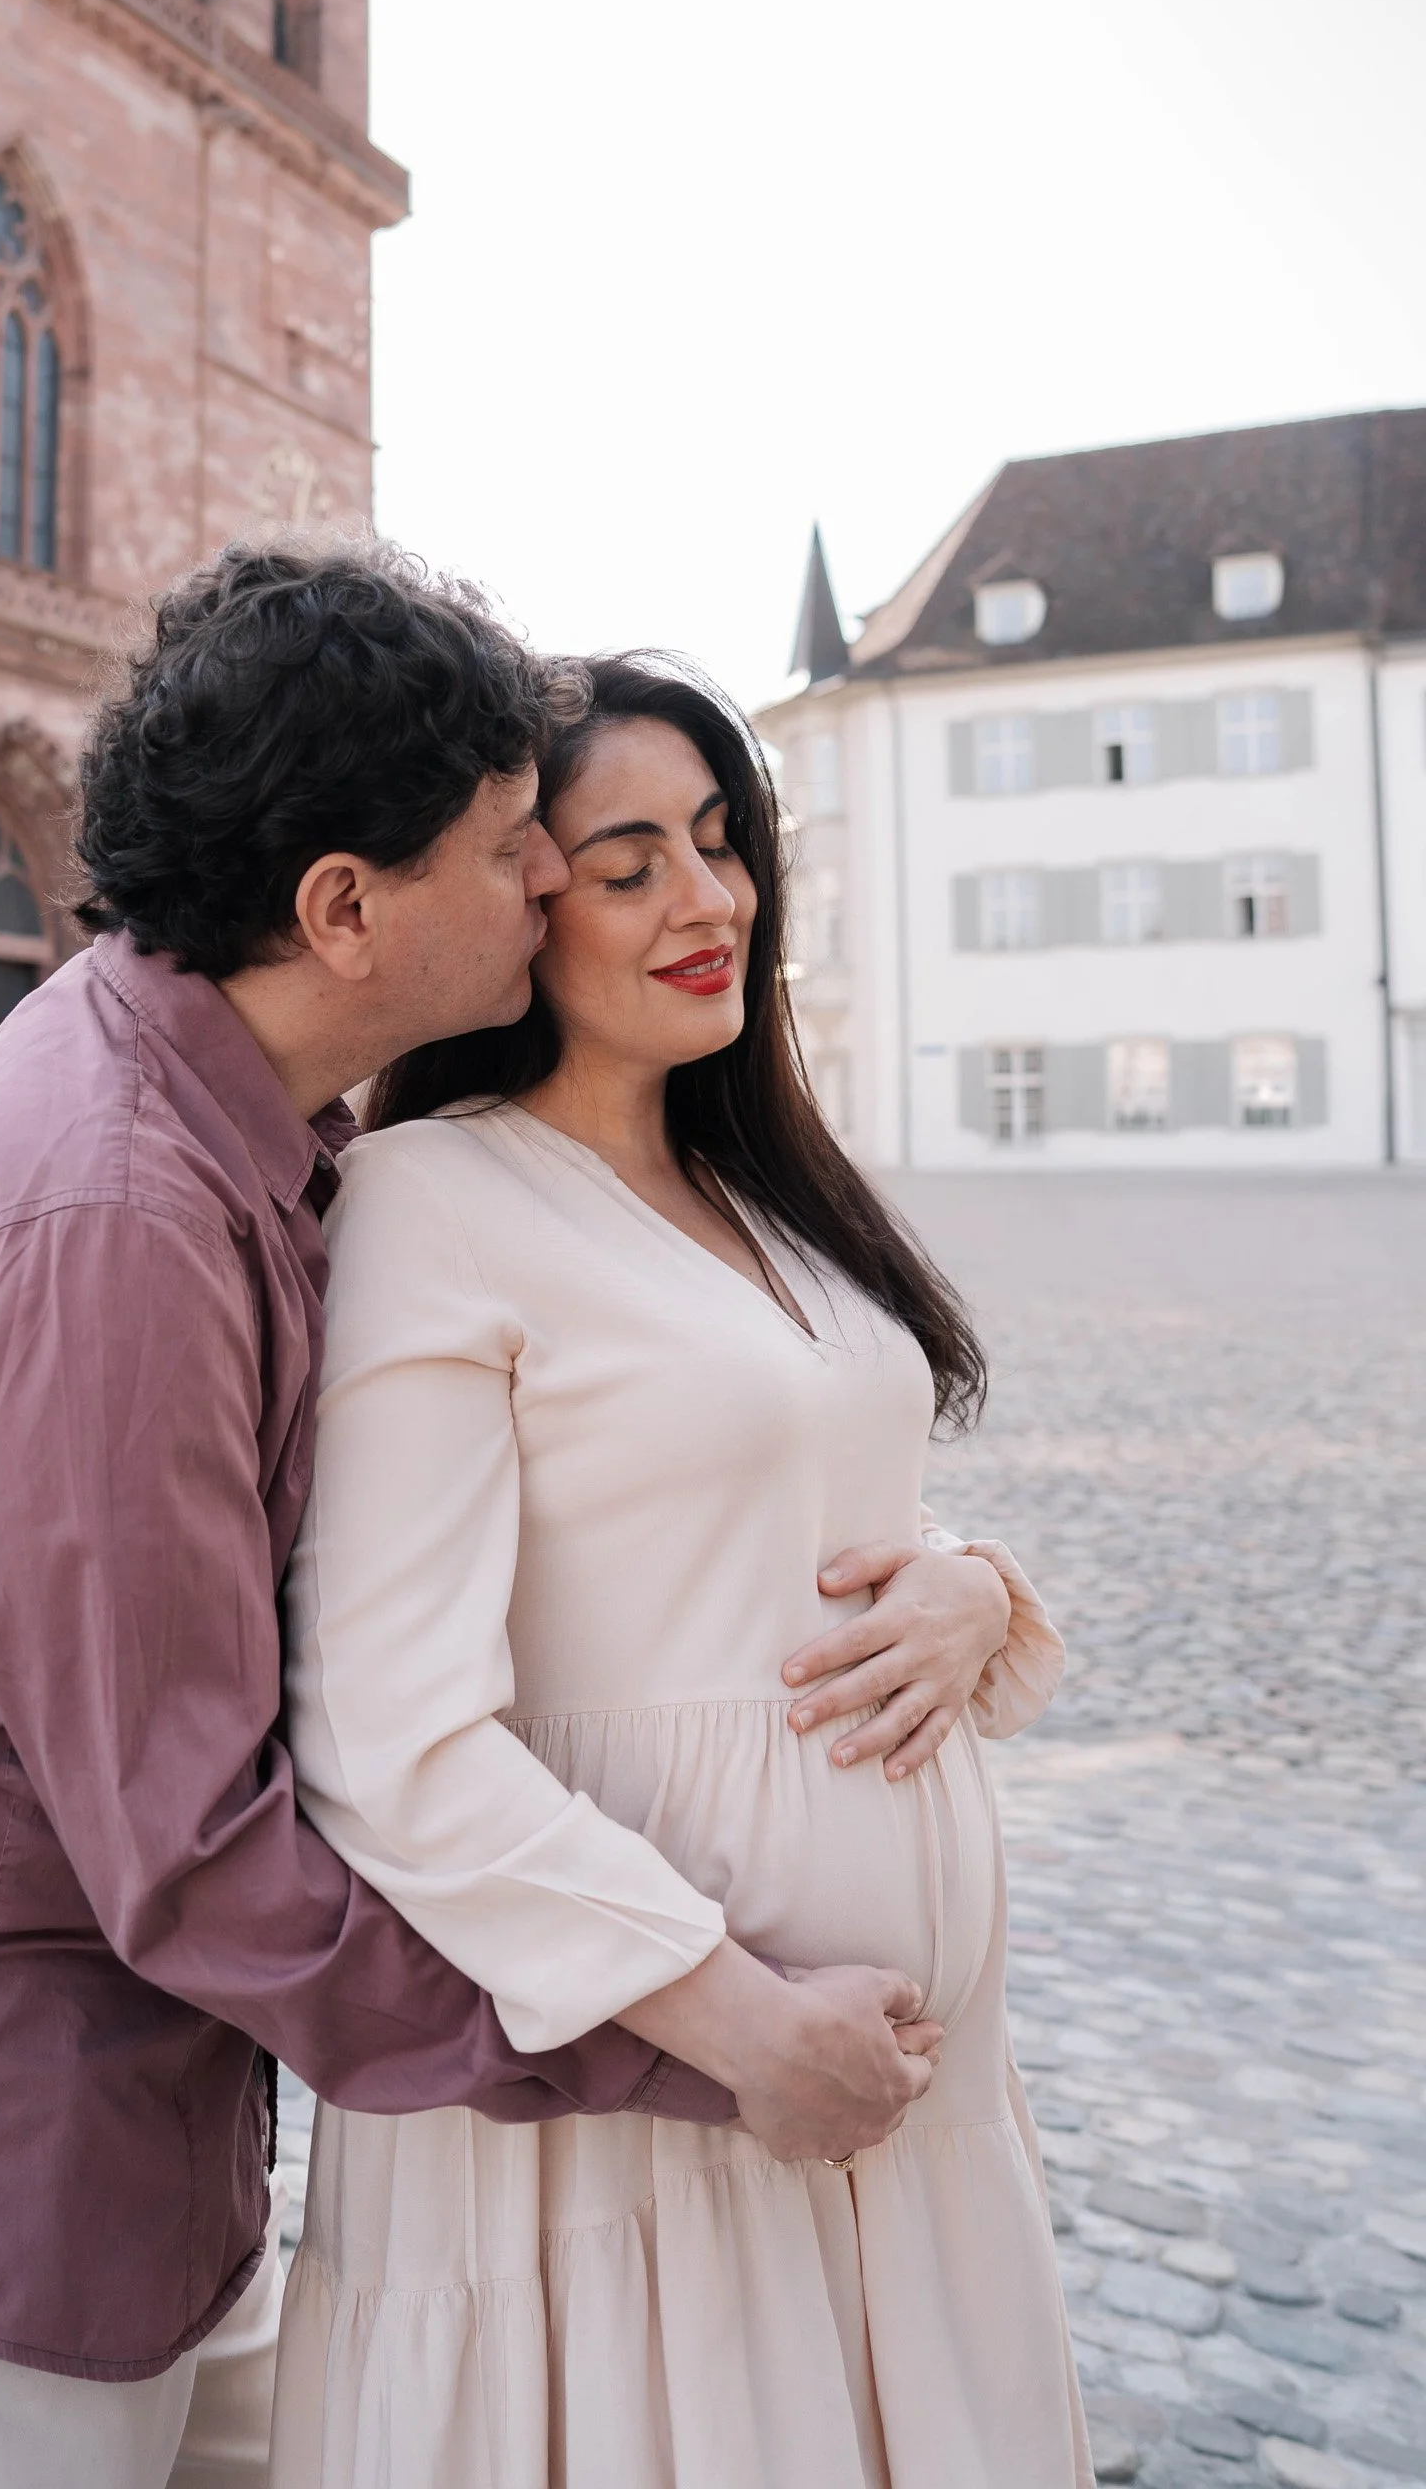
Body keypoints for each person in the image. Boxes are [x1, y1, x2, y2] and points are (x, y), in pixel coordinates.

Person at [0, 548, 995, 2489]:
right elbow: (187, 1845)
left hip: (118, 2151)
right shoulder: (99, 1214)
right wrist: (703, 2044)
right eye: (518, 844)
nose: (555, 880)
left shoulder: (259, 1149)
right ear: (346, 906)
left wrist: (967, 1583)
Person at [271, 651, 1090, 2488]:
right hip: (644, 2116)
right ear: (522, 903)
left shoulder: (762, 1188)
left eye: (720, 844)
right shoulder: (429, 1199)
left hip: (912, 2116)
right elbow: (386, 1737)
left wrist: (969, 1583)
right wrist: (737, 2027)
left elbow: (783, 1497)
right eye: (626, 862)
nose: (708, 898)